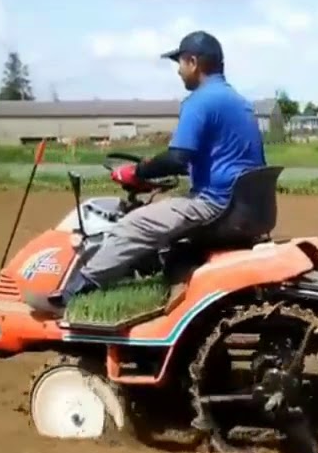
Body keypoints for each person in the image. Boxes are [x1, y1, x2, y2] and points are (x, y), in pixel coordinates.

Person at [27, 30, 267, 316]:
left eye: (179, 63)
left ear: (193, 62)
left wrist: (136, 172)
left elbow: (178, 158)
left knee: (131, 226)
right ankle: (174, 293)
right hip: (247, 205)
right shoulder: (239, 102)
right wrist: (153, 173)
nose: (179, 71)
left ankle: (69, 297)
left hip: (216, 203)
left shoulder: (200, 101)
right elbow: (216, 158)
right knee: (166, 221)